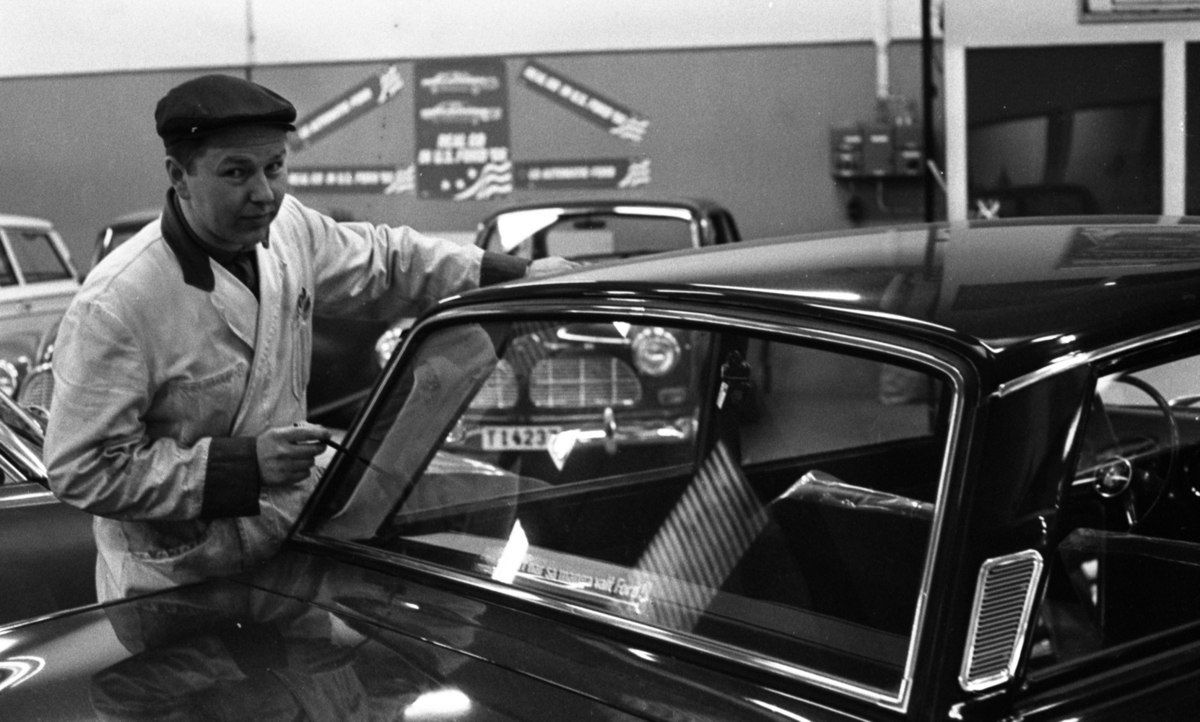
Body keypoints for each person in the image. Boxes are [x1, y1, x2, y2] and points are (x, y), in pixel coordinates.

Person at [44, 73, 574, 602]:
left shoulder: (288, 229)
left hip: (285, 544)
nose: (264, 194)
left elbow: (388, 260)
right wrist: (241, 465)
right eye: (237, 173)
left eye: (275, 168)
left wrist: (513, 274)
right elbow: (82, 470)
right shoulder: (118, 303)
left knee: (503, 500)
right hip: (177, 584)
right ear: (179, 176)